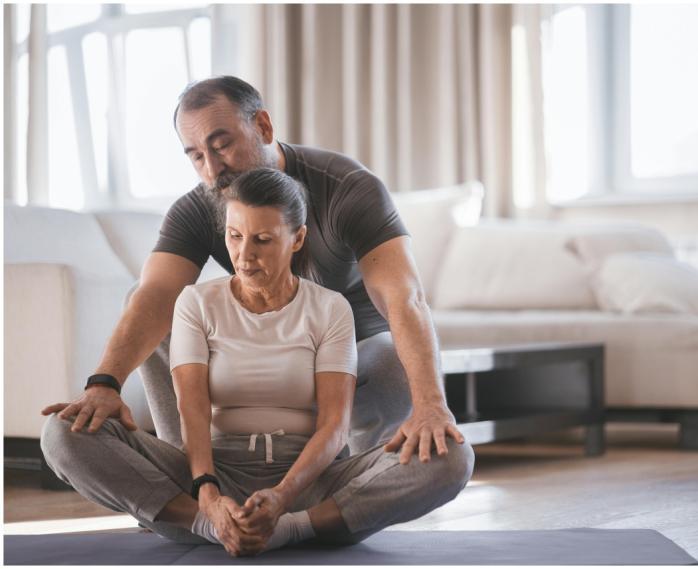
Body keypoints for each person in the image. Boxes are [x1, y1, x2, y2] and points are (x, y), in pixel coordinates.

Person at [41, 168, 474, 557]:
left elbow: (334, 426)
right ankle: (204, 526)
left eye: (263, 240)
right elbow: (191, 411)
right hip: (213, 477)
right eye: (234, 237)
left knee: (453, 457)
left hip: (313, 484)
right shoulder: (195, 302)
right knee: (61, 433)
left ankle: (296, 531)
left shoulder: (331, 309)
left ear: (297, 239)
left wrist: (284, 501)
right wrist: (208, 500)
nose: (245, 255)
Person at [41, 75, 461, 464]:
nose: (212, 168)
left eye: (221, 145)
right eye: (196, 156)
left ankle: (366, 472)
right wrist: (104, 384)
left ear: (262, 126)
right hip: (258, 352)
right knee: (150, 299)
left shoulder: (347, 187)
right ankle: (186, 473)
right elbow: (152, 296)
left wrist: (430, 404)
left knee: (388, 357)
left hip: (351, 356)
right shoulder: (201, 204)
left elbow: (404, 298)